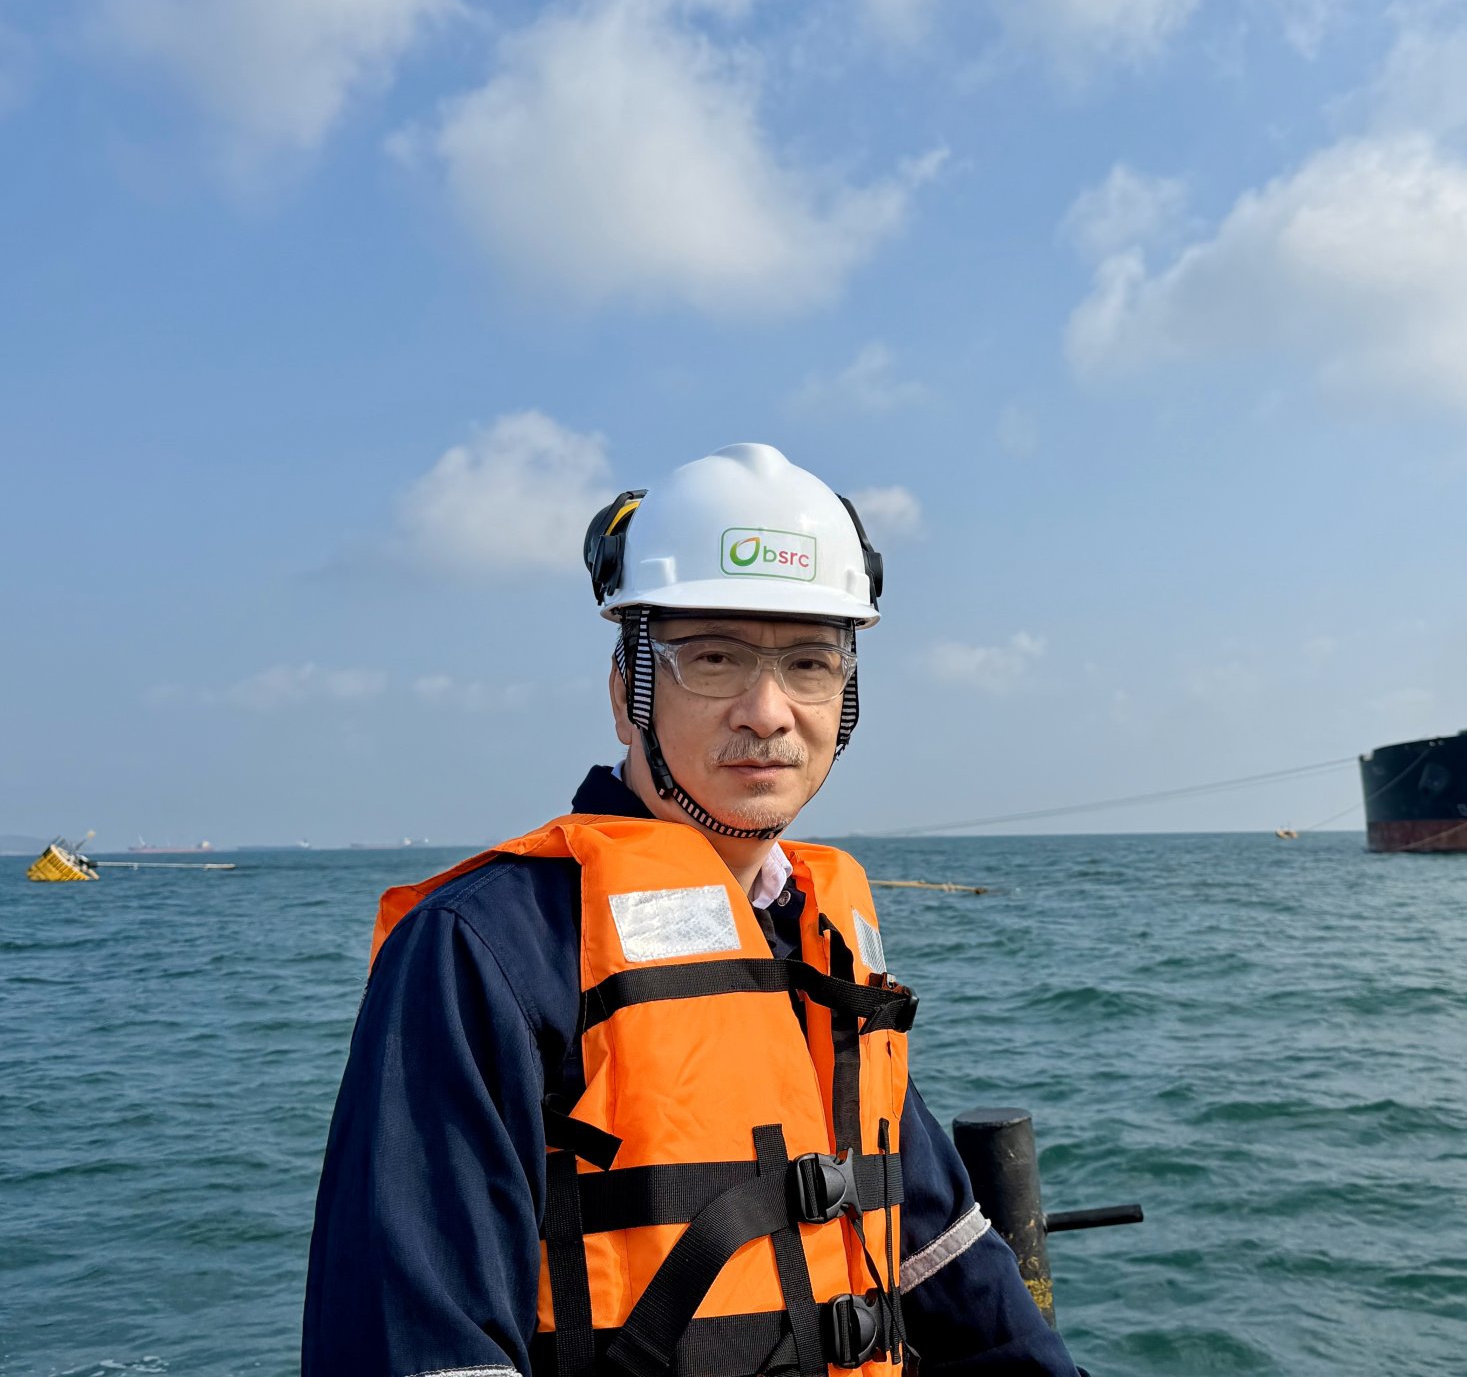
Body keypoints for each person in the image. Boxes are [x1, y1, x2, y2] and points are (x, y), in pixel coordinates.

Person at [304, 443, 1081, 1377]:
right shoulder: (486, 950)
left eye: (809, 663)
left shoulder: (821, 943)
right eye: (713, 659)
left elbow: (941, 1256)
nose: (768, 711)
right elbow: (417, 1342)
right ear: (626, 693)